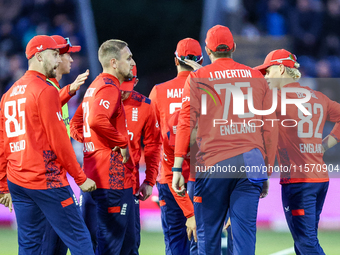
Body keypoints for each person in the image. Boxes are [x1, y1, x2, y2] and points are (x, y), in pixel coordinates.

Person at [172, 25, 278, 255]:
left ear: (208, 51)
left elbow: (185, 123)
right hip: (252, 162)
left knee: (207, 238)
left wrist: (178, 165)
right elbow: (270, 129)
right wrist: (265, 171)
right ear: (234, 47)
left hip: (213, 164)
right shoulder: (256, 76)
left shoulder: (198, 76)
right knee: (245, 237)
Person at [0, 35, 96, 254]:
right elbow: (59, 140)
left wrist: (3, 184)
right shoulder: (45, 89)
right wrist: (80, 178)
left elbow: (2, 141)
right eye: (54, 55)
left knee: (29, 245)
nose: (59, 59)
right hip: (45, 179)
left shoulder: (9, 94)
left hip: (18, 181)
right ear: (40, 56)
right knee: (81, 240)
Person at [255, 49, 340, 255]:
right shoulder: (317, 96)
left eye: (268, 70)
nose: (265, 76)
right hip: (320, 179)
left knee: (306, 243)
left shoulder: (272, 99)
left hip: (298, 182)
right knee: (305, 240)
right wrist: (325, 144)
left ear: (281, 69)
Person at [79, 65, 162, 254]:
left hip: (126, 186)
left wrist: (149, 180)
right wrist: (92, 142)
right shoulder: (100, 97)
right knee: (91, 244)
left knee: (129, 247)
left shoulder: (146, 106)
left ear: (136, 82)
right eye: (120, 90)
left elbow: (153, 146)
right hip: (94, 182)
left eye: (126, 90)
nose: (122, 95)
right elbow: (77, 126)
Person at [70, 39, 136, 254]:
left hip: (93, 174)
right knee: (111, 246)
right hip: (112, 176)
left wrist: (91, 143)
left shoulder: (93, 88)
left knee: (120, 244)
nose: (132, 63)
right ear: (114, 63)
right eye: (128, 58)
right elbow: (96, 120)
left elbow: (75, 125)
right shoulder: (109, 88)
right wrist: (120, 141)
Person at [149, 38, 203, 255]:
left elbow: (151, 138)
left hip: (170, 177)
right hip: (202, 179)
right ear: (200, 60)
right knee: (202, 243)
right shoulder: (209, 89)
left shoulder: (158, 91)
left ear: (176, 60)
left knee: (175, 244)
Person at [41, 35, 90, 255]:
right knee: (79, 241)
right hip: (50, 179)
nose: (72, 59)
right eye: (67, 54)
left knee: (54, 246)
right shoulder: (46, 88)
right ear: (55, 57)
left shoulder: (53, 88)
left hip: (53, 177)